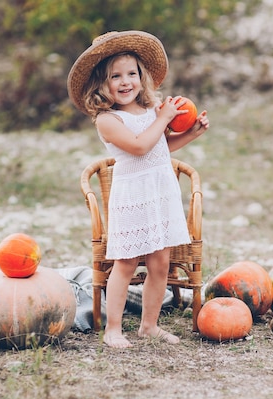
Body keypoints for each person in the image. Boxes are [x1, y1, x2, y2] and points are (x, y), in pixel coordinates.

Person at [67, 30, 209, 348]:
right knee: (127, 263)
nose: (125, 81)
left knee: (161, 263)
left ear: (142, 77)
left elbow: (160, 147)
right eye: (115, 76)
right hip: (132, 198)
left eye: (131, 73)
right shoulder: (107, 119)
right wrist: (164, 117)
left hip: (160, 192)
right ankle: (113, 329)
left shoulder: (149, 111)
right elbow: (140, 145)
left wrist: (192, 132)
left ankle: (149, 325)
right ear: (100, 85)